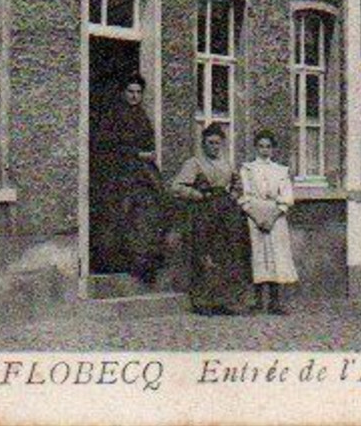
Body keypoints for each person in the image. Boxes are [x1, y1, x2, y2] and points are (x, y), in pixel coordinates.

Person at [169, 123, 250, 315]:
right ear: (203, 144)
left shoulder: (227, 164)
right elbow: (176, 187)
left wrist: (233, 195)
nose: (214, 146)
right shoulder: (194, 163)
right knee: (204, 254)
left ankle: (226, 301)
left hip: (226, 214)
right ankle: (203, 301)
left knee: (227, 253)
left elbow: (238, 184)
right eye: (210, 143)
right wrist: (197, 195)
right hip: (203, 213)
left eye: (217, 143)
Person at [93, 73, 166, 283]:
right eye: (130, 92)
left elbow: (149, 141)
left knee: (148, 214)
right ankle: (116, 263)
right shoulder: (114, 116)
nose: (134, 96)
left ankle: (142, 262)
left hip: (142, 173)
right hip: (119, 173)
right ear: (123, 93)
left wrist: (147, 155)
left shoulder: (142, 116)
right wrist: (135, 153)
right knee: (122, 215)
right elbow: (108, 143)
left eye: (138, 92)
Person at [238, 130, 298, 314]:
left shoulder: (281, 170)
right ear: (256, 147)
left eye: (268, 146)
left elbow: (286, 196)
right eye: (261, 146)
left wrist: (272, 218)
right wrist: (256, 217)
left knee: (276, 256)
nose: (265, 150)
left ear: (273, 149)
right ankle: (257, 301)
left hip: (275, 217)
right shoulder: (247, 169)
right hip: (254, 216)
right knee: (258, 255)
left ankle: (275, 302)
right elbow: (244, 195)